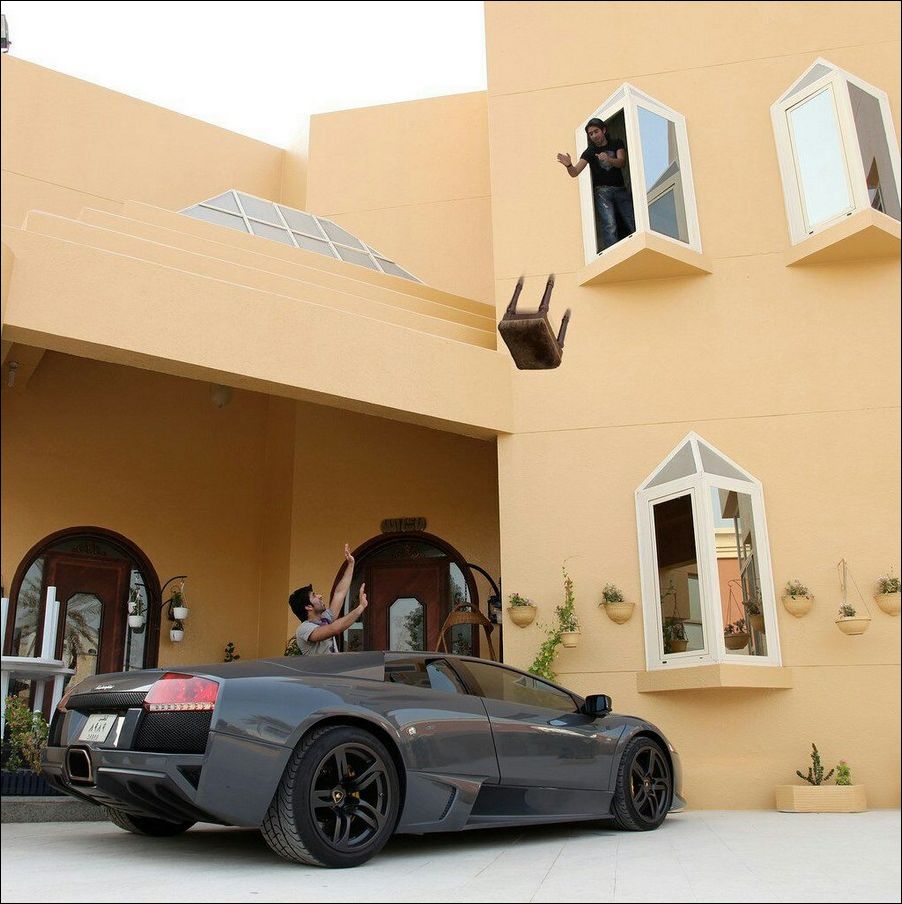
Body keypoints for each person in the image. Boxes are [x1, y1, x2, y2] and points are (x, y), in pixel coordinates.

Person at [557, 118, 636, 252]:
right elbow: (575, 172)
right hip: (602, 192)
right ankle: (612, 253)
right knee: (609, 224)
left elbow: (622, 162)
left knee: (631, 218)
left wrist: (608, 159)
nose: (593, 135)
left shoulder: (616, 143)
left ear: (604, 130)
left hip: (620, 189)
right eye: (591, 134)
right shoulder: (590, 151)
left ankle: (638, 246)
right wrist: (569, 165)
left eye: (596, 131)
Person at [289, 543, 367, 654]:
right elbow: (335, 629)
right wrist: (360, 607)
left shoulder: (324, 619)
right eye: (314, 595)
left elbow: (339, 593)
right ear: (308, 607)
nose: (320, 596)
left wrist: (351, 564)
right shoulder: (304, 629)